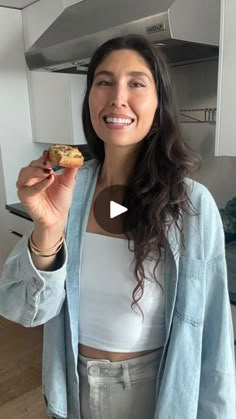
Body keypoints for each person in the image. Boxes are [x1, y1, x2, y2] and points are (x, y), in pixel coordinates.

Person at [0, 34, 235, 419]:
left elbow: (214, 337)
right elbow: (23, 310)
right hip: (73, 390)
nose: (117, 97)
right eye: (104, 81)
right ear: (90, 96)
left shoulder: (192, 207)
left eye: (137, 83)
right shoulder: (67, 190)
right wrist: (48, 228)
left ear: (159, 103)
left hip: (157, 393)